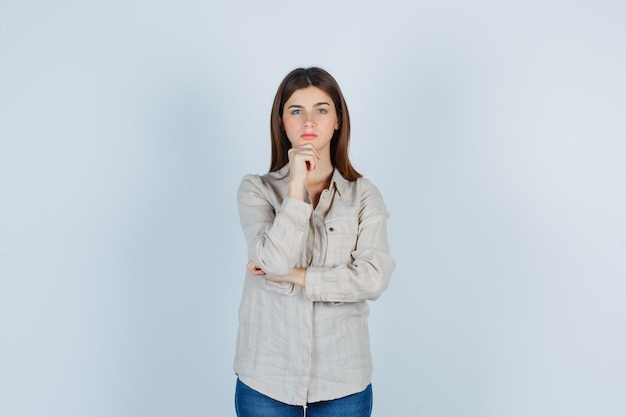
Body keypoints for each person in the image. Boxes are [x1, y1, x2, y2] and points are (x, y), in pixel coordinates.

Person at [234, 67, 395, 417]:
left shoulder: (363, 195)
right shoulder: (256, 190)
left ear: (338, 120)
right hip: (266, 377)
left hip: (343, 381)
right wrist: (296, 186)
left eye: (321, 109)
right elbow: (273, 262)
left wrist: (296, 276)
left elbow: (373, 277)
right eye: (296, 110)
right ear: (281, 121)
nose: (309, 120)